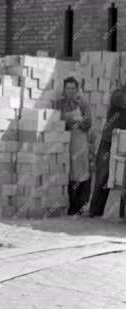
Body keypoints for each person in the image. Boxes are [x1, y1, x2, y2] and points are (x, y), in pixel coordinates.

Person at [89, 82, 126, 217]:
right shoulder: (118, 94)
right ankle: (95, 211)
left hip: (123, 141)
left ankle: (123, 213)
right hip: (109, 141)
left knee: (124, 177)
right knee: (103, 175)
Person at [56, 77, 92, 215]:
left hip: (80, 141)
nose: (70, 91)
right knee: (69, 172)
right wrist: (67, 123)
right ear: (64, 90)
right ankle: (71, 206)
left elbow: (89, 122)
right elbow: (55, 122)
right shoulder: (60, 104)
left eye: (72, 88)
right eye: (67, 88)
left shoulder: (82, 103)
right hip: (65, 142)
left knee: (81, 173)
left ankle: (80, 207)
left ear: (77, 89)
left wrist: (76, 122)